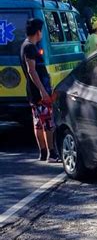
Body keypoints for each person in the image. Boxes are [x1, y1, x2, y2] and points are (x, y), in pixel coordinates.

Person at [20, 18, 60, 163]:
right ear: (38, 32)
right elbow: (32, 70)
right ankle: (52, 153)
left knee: (38, 122)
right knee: (48, 123)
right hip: (39, 92)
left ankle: (43, 153)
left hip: (33, 91)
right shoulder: (30, 47)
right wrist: (43, 91)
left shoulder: (26, 45)